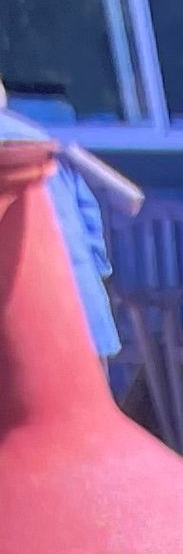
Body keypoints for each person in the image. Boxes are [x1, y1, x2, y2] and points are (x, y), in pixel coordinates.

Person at [0, 86, 125, 362]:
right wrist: (93, 280)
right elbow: (92, 225)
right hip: (85, 313)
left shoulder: (14, 152)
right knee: (93, 403)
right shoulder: (43, 141)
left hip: (25, 331)